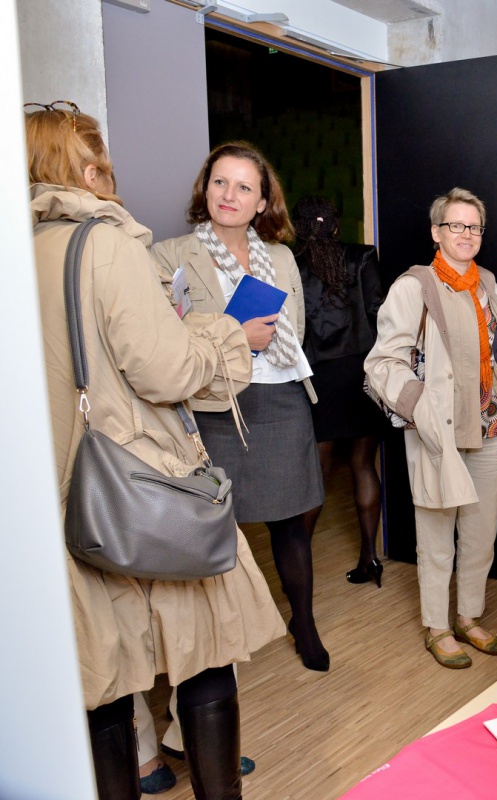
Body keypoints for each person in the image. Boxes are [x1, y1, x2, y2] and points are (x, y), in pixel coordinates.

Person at [26, 103, 283, 799]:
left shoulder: (23, 246)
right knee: (203, 656)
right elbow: (163, 371)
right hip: (143, 479)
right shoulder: (104, 243)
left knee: (101, 680)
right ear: (86, 165)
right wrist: (225, 337)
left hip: (63, 487)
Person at [151, 142, 328, 672]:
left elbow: (293, 327)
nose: (229, 195)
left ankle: (305, 622)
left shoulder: (280, 257)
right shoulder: (169, 255)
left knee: (289, 524)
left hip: (280, 397)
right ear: (205, 190)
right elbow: (166, 339)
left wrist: (265, 341)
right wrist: (236, 334)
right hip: (212, 406)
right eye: (220, 182)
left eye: (243, 187)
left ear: (261, 202)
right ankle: (214, 648)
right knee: (212, 528)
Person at [365, 188, 497, 669]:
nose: (466, 235)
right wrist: (418, 407)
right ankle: (437, 627)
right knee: (436, 536)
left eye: (474, 227)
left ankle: (470, 617)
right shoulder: (413, 288)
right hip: (439, 433)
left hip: (491, 429)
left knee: (481, 535)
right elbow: (382, 362)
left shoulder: (489, 286)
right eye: (455, 226)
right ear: (436, 233)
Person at [291, 196, 387, 586]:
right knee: (364, 465)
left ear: (299, 227)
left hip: (318, 378)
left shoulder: (291, 265)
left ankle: (299, 566)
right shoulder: (363, 256)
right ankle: (370, 558)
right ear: (335, 225)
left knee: (316, 474)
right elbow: (380, 312)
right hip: (362, 373)